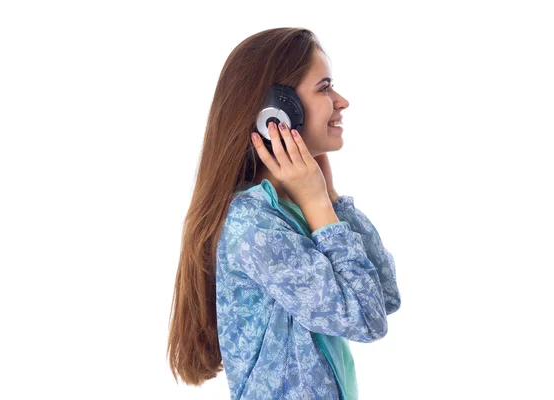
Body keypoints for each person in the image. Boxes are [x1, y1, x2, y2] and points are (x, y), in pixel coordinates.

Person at [167, 27, 401, 399]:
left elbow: (385, 295)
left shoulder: (290, 210)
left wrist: (331, 199)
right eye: (324, 88)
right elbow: (367, 318)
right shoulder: (254, 227)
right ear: (277, 112)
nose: (341, 101)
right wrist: (318, 205)